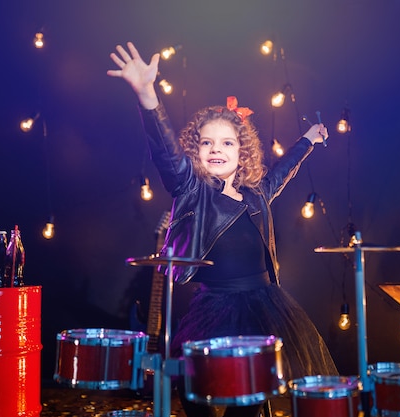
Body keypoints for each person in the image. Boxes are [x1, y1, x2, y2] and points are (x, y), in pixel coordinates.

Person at [108, 42, 338, 417]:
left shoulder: (257, 193)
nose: (217, 150)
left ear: (242, 151)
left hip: (265, 307)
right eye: (207, 143)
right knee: (198, 393)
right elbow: (165, 151)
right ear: (195, 151)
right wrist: (148, 95)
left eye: (227, 142)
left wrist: (309, 139)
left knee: (248, 400)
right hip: (216, 311)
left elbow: (284, 169)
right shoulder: (192, 189)